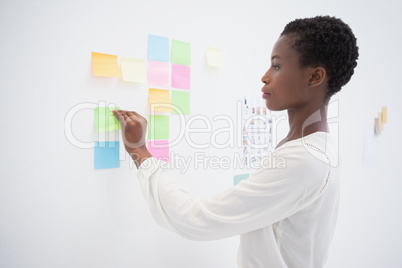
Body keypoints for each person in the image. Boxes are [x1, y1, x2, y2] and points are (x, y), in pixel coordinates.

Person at [113, 15, 358, 268]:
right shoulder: (320, 148)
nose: (264, 77)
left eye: (276, 66)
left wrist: (139, 151)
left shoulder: (304, 160)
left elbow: (194, 219)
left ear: (314, 77)